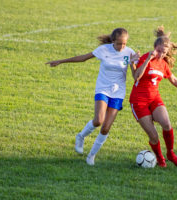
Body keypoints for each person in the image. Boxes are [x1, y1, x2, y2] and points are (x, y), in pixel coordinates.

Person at [46, 28, 139, 165]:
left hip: (118, 92)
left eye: (124, 44)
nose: (122, 47)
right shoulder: (104, 50)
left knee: (106, 128)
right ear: (113, 41)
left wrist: (133, 63)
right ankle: (81, 136)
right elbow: (83, 58)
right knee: (98, 121)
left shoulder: (129, 53)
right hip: (103, 89)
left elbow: (134, 76)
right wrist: (61, 61)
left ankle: (91, 156)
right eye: (119, 44)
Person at [129, 26, 177, 167]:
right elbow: (136, 77)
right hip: (138, 101)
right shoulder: (145, 58)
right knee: (153, 136)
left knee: (166, 124)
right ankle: (160, 159)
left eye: (164, 52)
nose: (161, 54)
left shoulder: (163, 64)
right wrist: (148, 58)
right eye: (159, 51)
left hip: (154, 98)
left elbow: (173, 79)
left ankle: (170, 154)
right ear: (155, 47)